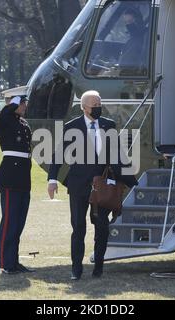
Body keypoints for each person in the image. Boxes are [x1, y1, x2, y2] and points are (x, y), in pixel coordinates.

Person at [47, 90, 137, 280]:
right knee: (78, 227)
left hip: (103, 186)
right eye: (94, 105)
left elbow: (119, 155)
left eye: (99, 104)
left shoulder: (108, 125)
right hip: (79, 185)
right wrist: (52, 179)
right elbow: (58, 154)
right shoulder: (72, 127)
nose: (98, 108)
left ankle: (98, 267)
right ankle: (76, 269)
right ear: (84, 107)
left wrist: (132, 181)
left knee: (102, 227)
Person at [0, 86, 35, 275]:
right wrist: (12, 104)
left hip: (23, 177)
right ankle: (6, 263)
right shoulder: (3, 120)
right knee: (9, 222)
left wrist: (16, 105)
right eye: (22, 102)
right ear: (14, 102)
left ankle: (14, 261)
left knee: (19, 222)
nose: (25, 106)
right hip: (9, 177)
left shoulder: (23, 123)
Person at [118, 7, 146, 75]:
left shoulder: (142, 39)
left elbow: (127, 67)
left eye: (130, 21)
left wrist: (116, 72)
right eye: (126, 22)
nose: (128, 25)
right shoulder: (132, 39)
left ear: (138, 21)